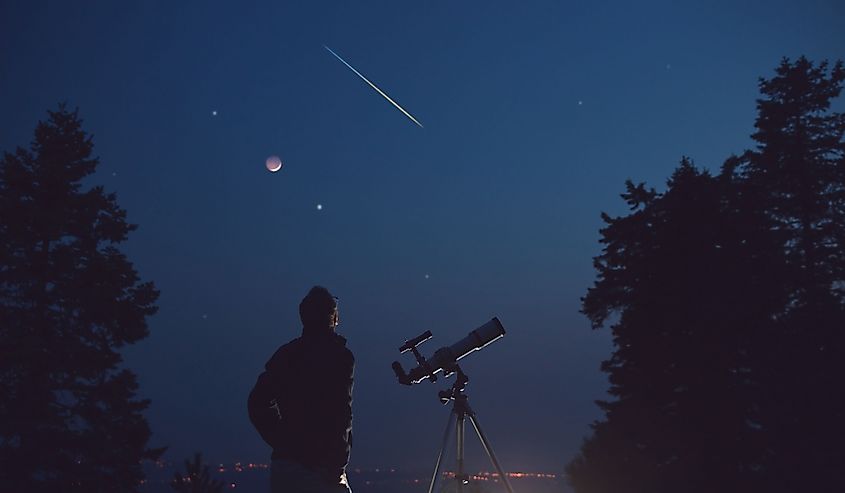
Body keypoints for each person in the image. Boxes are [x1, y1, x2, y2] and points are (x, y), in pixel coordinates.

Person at [248, 286, 354, 492]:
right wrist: (336, 464)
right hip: (322, 469)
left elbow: (257, 402)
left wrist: (283, 440)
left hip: (287, 469)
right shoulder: (339, 357)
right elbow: (341, 414)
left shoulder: (286, 355)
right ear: (333, 317)